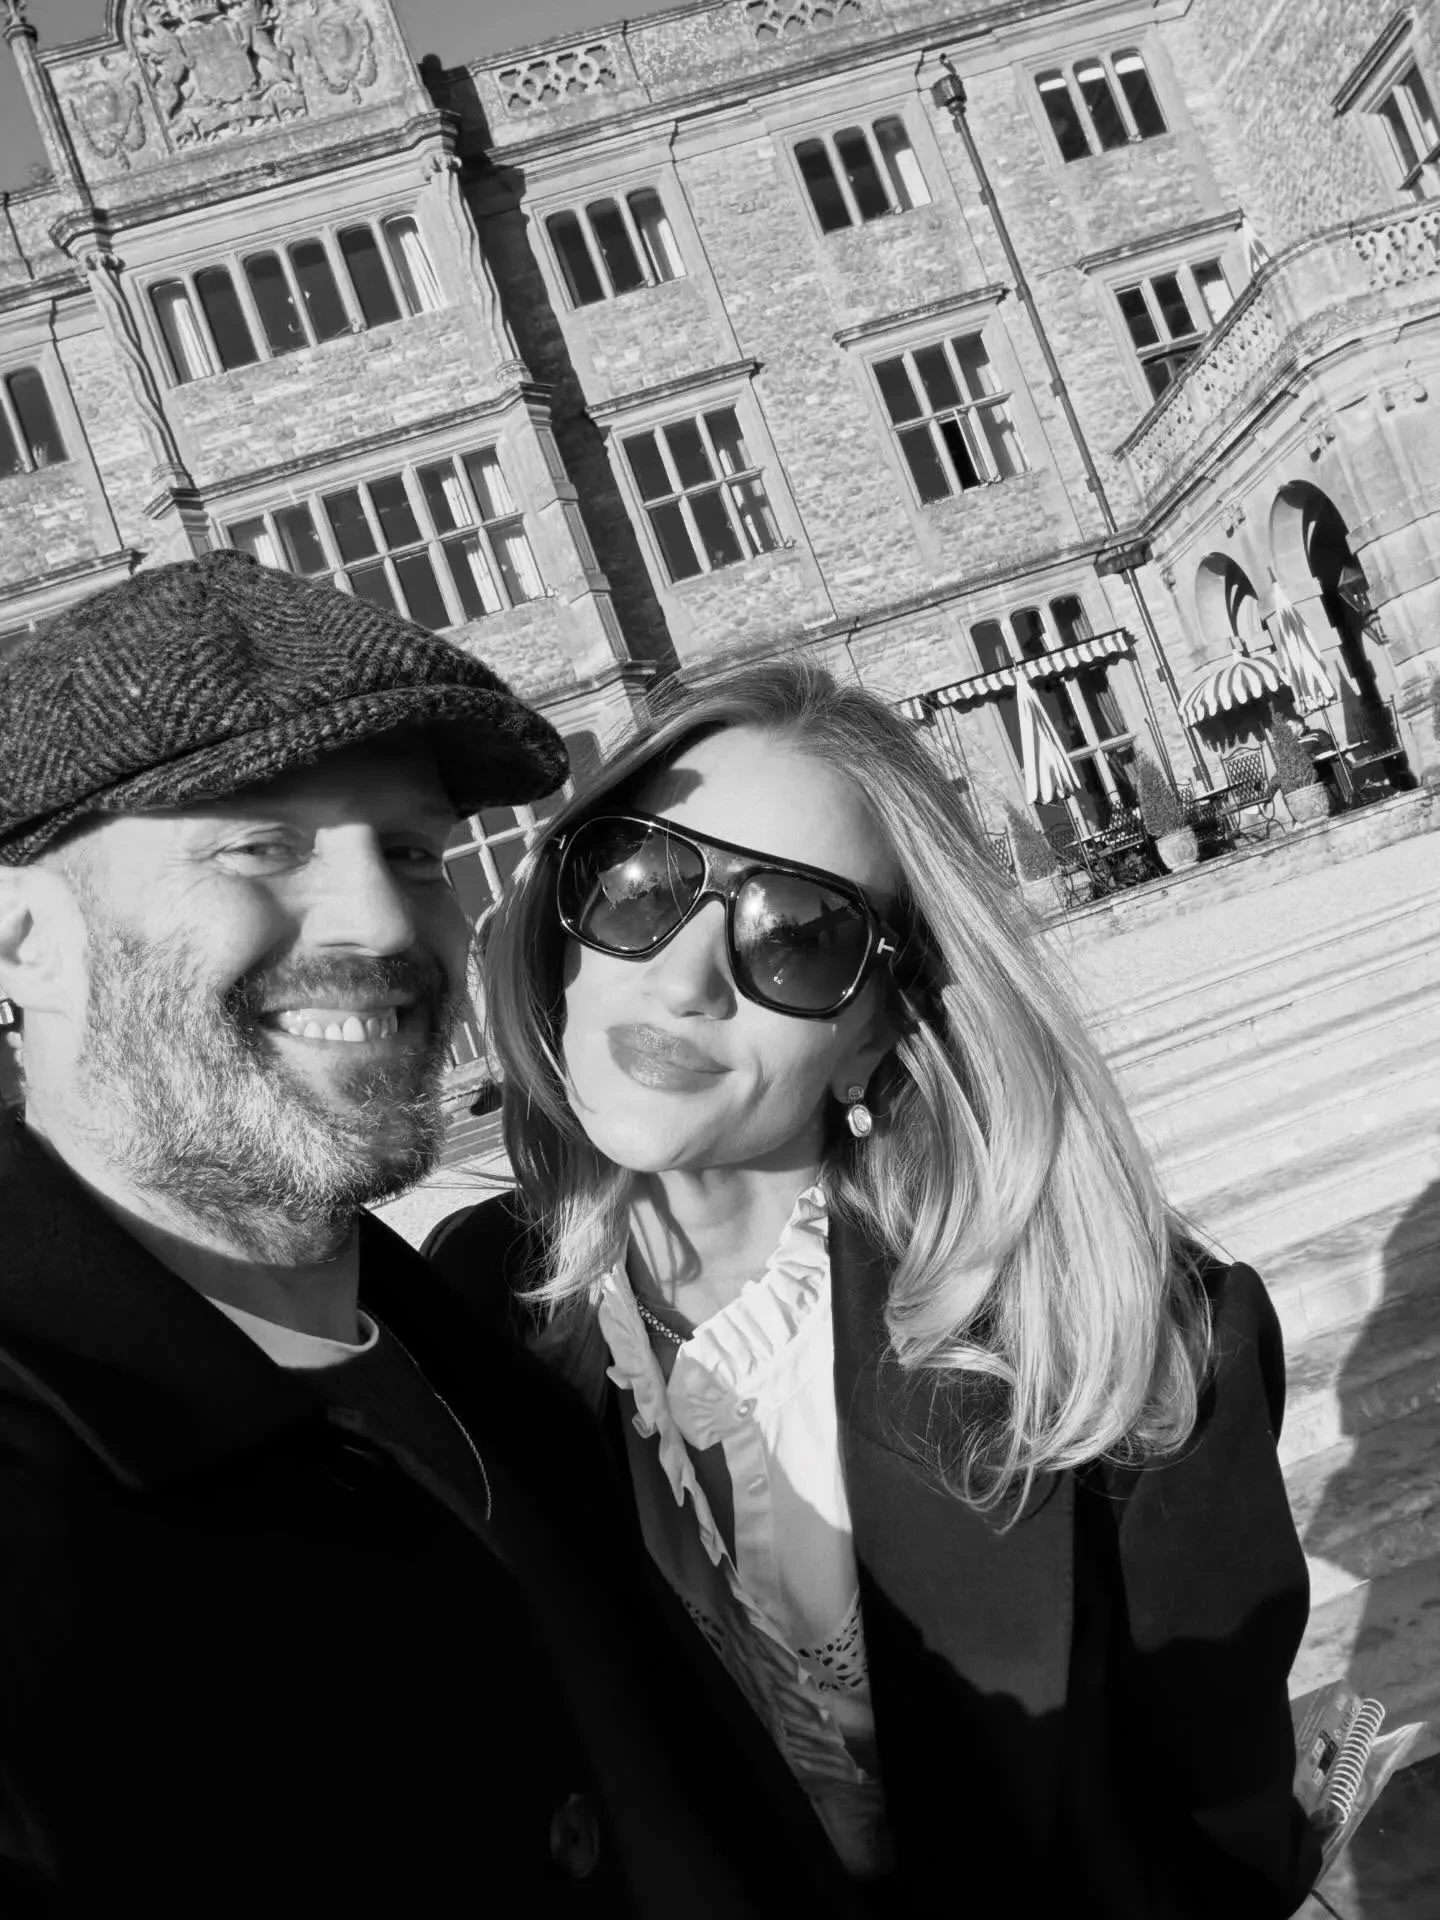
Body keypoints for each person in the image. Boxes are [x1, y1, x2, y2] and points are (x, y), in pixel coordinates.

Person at [0, 556, 865, 1920]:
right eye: (262, 845)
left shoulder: (486, 1349)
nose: (383, 921)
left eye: (412, 851)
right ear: (21, 944)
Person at [428, 657, 1325, 1920]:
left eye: (799, 936)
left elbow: (1216, 1832)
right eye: (638, 882)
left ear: (880, 1023)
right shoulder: (470, 1301)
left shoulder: (1115, 1335)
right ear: (558, 914)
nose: (684, 979)